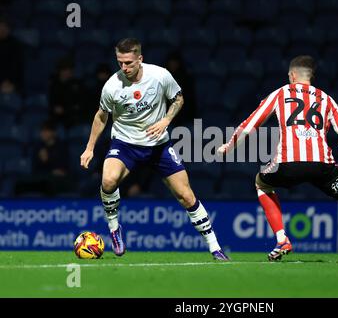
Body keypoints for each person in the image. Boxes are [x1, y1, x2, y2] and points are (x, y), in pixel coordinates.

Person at [218, 55, 338, 265]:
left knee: (261, 184)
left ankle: (282, 240)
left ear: (293, 74)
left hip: (289, 164)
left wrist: (230, 145)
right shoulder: (327, 99)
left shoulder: (280, 93)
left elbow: (251, 123)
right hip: (323, 166)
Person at [80, 38, 229, 260]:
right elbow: (101, 117)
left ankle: (215, 247)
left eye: (129, 62)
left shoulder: (160, 76)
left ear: (140, 59)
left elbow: (178, 99)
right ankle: (114, 229)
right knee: (108, 180)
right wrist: (89, 148)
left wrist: (166, 120)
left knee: (186, 196)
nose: (124, 67)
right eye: (120, 62)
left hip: (159, 146)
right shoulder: (112, 85)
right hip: (125, 144)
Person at [15, 121, 70, 196]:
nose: (43, 133)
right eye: (42, 131)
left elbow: (63, 168)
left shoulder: (62, 147)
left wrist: (49, 159)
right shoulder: (38, 146)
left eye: (46, 131)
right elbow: (35, 168)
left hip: (57, 180)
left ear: (53, 132)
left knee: (51, 183)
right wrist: (43, 161)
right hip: (41, 177)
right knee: (19, 183)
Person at [48, 57, 86, 128]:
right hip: (57, 118)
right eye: (65, 70)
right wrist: (56, 109)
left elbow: (80, 103)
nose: (68, 72)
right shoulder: (53, 84)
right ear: (60, 71)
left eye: (70, 70)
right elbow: (52, 103)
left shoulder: (77, 84)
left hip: (73, 117)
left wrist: (66, 109)